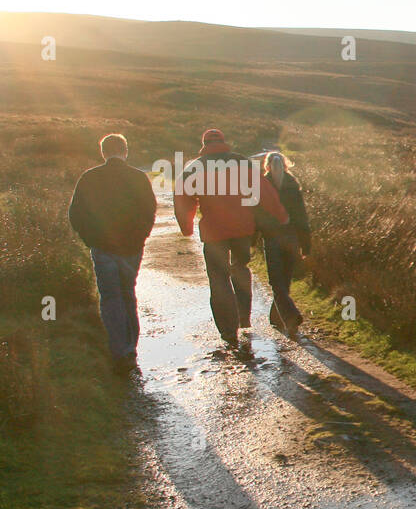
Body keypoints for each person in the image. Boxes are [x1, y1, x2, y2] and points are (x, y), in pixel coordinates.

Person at [174, 129, 288, 346]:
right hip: (242, 229)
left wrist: (186, 227)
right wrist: (280, 215)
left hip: (214, 231)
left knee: (218, 279)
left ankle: (228, 330)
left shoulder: (195, 167)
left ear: (204, 143)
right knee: (240, 268)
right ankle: (244, 317)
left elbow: (182, 198)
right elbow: (265, 192)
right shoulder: (242, 163)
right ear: (223, 142)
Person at [69, 134, 158, 375]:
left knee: (110, 297)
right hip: (131, 248)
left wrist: (91, 240)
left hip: (102, 247)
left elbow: (75, 214)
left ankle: (121, 351)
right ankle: (130, 347)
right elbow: (150, 211)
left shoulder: (89, 178)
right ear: (125, 151)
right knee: (128, 293)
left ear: (103, 152)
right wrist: (141, 237)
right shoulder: (138, 177)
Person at [258, 152, 311, 337]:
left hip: (272, 238)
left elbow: (256, 214)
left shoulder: (262, 185)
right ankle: (276, 317)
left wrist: (252, 238)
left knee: (276, 281)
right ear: (286, 166)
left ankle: (290, 316)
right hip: (292, 237)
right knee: (285, 279)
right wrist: (306, 243)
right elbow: (301, 215)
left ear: (266, 166)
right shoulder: (293, 184)